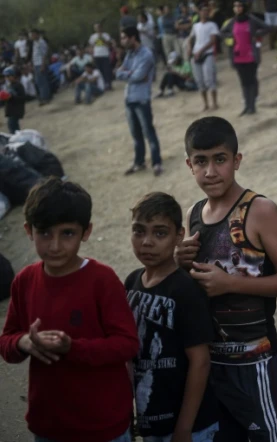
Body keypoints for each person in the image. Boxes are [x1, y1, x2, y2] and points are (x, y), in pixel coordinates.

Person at [175, 117, 277, 441]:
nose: (211, 171)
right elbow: (197, 285)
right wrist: (180, 264)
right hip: (209, 361)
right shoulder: (193, 213)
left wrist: (231, 283)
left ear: (237, 160)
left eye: (220, 159)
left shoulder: (259, 210)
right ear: (189, 164)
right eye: (201, 162)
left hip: (253, 357)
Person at [0, 177, 139, 442]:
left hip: (104, 425)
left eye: (67, 233)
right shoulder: (25, 281)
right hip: (49, 425)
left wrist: (71, 348)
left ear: (86, 232)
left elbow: (127, 344)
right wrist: (24, 342)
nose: (54, 245)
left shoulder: (102, 280)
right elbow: (7, 343)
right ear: (29, 230)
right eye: (44, 233)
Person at [125, 192, 220, 442]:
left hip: (191, 426)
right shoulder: (131, 283)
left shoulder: (185, 289)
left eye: (159, 233)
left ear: (179, 235)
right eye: (138, 231)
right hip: (151, 419)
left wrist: (184, 428)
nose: (146, 242)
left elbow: (200, 361)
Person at [116, 26, 163, 177]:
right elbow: (119, 73)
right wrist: (130, 73)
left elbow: (139, 76)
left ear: (132, 37)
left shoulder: (146, 54)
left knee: (149, 132)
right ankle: (139, 162)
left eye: (124, 37)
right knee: (135, 134)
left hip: (141, 99)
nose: (122, 41)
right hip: (129, 98)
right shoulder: (129, 54)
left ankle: (156, 162)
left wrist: (128, 74)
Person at [221, 1, 268, 116]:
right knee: (243, 82)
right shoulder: (232, 22)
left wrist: (256, 34)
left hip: (251, 55)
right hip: (238, 56)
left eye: (239, 6)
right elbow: (222, 32)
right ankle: (246, 106)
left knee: (251, 81)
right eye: (235, 6)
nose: (237, 8)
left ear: (243, 7)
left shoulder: (251, 19)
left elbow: (267, 28)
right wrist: (230, 37)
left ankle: (252, 106)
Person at [190, 3, 221, 112]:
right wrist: (190, 49)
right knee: (200, 80)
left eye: (206, 11)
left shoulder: (212, 25)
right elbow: (191, 38)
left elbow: (213, 40)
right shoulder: (196, 26)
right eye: (203, 10)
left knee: (210, 79)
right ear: (199, 12)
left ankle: (215, 103)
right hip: (196, 53)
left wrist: (200, 50)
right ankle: (206, 104)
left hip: (207, 53)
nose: (205, 12)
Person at [0, 67, 26, 134]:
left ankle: (17, 141)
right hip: (11, 110)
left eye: (8, 76)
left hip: (16, 110)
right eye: (6, 76)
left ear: (13, 75)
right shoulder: (9, 86)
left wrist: (11, 97)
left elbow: (22, 98)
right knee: (12, 126)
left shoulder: (19, 85)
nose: (7, 78)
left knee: (13, 127)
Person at [89, 23, 114, 90]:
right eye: (96, 28)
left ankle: (108, 84)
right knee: (100, 71)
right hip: (97, 55)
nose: (97, 29)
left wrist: (101, 37)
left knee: (107, 70)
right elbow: (91, 47)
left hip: (105, 54)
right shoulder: (93, 36)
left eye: (98, 27)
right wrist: (92, 56)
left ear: (101, 28)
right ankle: (102, 85)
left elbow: (109, 44)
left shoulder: (106, 35)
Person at [30, 29, 51, 106]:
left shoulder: (41, 42)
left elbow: (44, 55)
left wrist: (43, 65)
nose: (32, 36)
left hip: (40, 64)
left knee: (43, 82)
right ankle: (43, 97)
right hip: (36, 64)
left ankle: (45, 98)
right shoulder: (34, 42)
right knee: (38, 82)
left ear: (37, 34)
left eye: (33, 34)